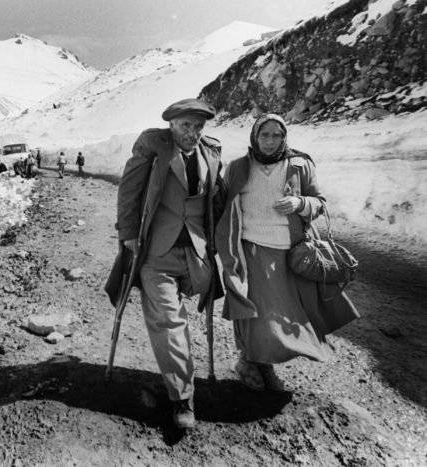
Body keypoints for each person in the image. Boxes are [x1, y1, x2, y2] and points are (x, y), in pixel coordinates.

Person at [215, 113, 359, 392]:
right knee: (258, 315)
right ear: (254, 137)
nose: (270, 141)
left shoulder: (300, 165)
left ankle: (257, 363)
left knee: (289, 318)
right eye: (264, 135)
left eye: (276, 135)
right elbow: (221, 207)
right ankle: (252, 363)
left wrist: (299, 202)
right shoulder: (237, 168)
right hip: (251, 251)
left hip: (291, 253)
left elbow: (319, 203)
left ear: (284, 138)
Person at [112, 98, 226, 429]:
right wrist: (129, 234)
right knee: (169, 321)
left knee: (196, 310)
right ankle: (182, 399)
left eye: (198, 127)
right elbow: (129, 191)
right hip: (157, 253)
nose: (192, 133)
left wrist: (214, 242)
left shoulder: (211, 152)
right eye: (186, 126)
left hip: (195, 253)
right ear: (172, 125)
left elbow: (216, 201)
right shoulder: (154, 146)